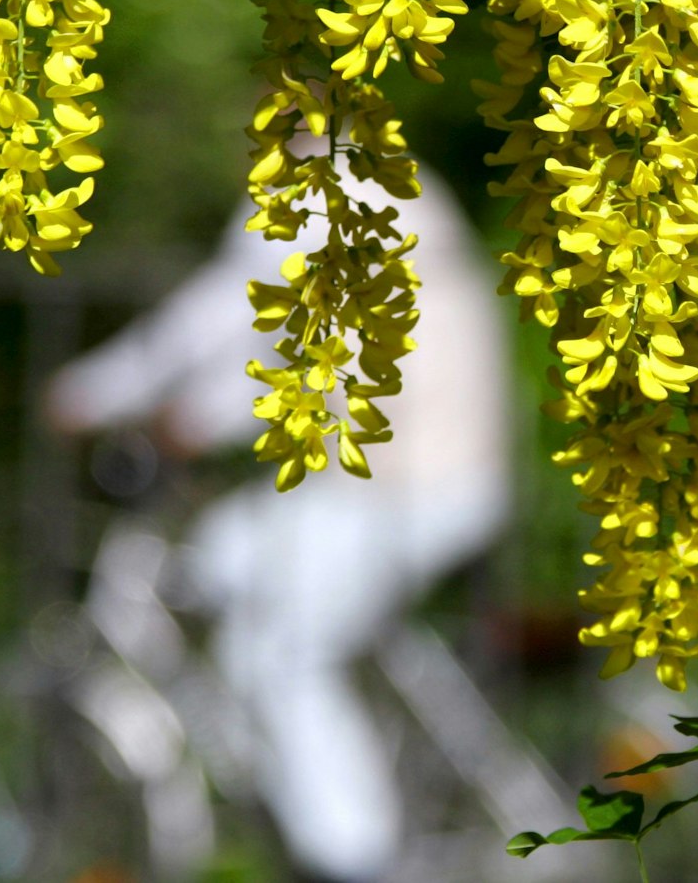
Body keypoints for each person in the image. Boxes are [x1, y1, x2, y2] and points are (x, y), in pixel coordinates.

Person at [47, 163, 513, 883]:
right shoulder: (367, 178)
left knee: (281, 656)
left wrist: (118, 399)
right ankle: (316, 776)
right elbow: (248, 320)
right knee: (210, 564)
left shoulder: (335, 185)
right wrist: (135, 397)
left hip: (401, 487)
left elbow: (240, 323)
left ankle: (359, 863)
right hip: (385, 482)